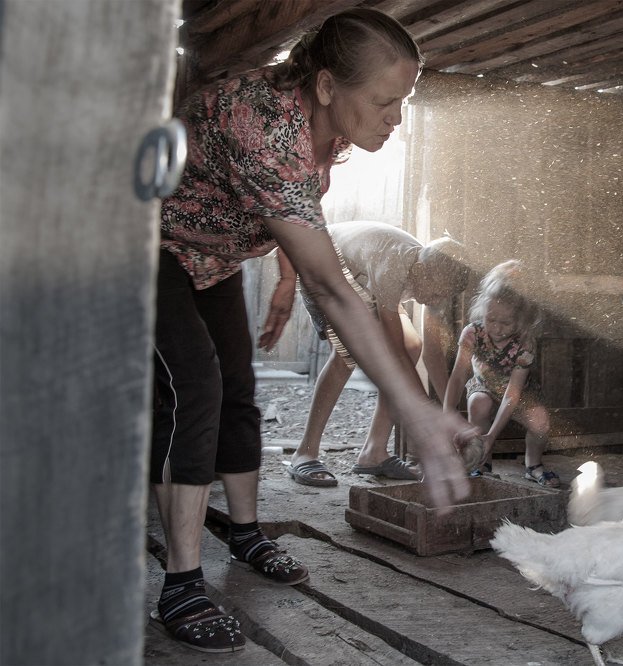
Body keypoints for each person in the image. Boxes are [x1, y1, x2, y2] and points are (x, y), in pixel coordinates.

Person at [152, 8, 473, 654]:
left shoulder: (321, 129)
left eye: (405, 101)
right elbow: (338, 287)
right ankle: (182, 582)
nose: (396, 118)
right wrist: (417, 408)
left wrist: (285, 278)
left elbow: (287, 209)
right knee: (198, 391)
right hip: (147, 244)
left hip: (211, 256)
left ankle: (244, 533)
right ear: (326, 86)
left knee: (239, 388)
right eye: (385, 101)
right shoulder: (265, 127)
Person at [287, 220, 470, 486]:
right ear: (423, 270)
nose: (437, 299)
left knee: (413, 346)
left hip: (360, 280)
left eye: (444, 295)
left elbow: (431, 355)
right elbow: (392, 351)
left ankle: (374, 452)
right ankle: (304, 452)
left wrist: (450, 414)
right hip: (323, 268)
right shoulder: (396, 265)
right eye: (436, 292)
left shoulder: (432, 275)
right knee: (346, 355)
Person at [442, 260, 559, 487]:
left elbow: (512, 394)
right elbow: (457, 377)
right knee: (478, 403)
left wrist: (491, 436)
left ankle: (533, 464)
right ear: (482, 311)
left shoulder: (525, 344)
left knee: (541, 421)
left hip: (518, 391)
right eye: (491, 319)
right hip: (483, 384)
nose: (496, 328)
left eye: (505, 323)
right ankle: (480, 463)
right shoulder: (472, 333)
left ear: (522, 320)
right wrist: (447, 412)